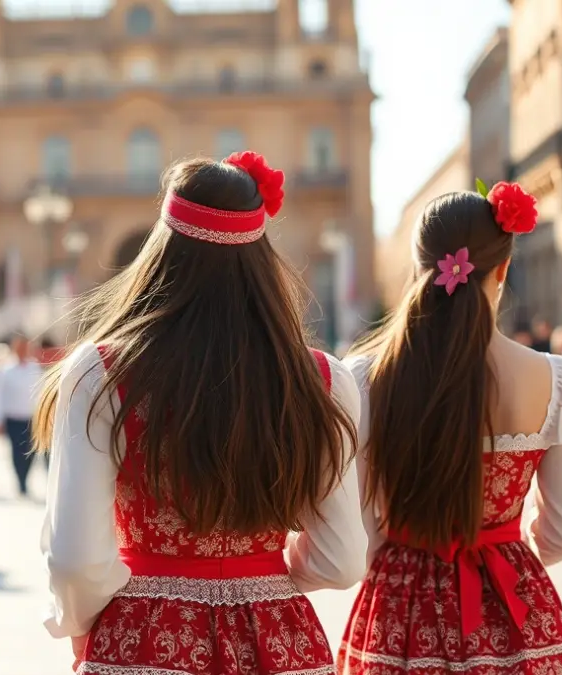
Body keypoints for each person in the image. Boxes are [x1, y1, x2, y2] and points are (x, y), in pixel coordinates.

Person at [37, 152, 367, 674]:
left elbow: (76, 559)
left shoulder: (100, 372)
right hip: (279, 643)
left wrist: (78, 624)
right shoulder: (322, 381)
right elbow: (343, 559)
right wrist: (263, 573)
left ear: (161, 252)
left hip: (143, 640)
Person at [340, 184, 562, 673]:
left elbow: (358, 524)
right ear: (503, 269)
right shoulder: (555, 380)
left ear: (418, 268)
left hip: (400, 605)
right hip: (509, 597)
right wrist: (514, 544)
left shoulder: (367, 378)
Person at [0, 335, 45, 497]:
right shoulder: (4, 369)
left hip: (32, 417)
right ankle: (21, 482)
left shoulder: (35, 368)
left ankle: (26, 476)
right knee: (17, 451)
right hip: (13, 418)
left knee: (31, 451)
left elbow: (41, 392)